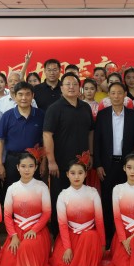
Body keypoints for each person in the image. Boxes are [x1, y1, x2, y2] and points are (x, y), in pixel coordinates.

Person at [0, 153, 61, 266]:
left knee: (27, 248)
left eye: (30, 166)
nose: (27, 170)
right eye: (23, 166)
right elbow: (7, 215)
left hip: (37, 230)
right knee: (10, 260)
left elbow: (47, 213)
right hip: (17, 230)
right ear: (17, 167)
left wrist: (34, 230)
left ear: (36, 167)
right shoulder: (12, 188)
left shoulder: (42, 187)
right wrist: (13, 235)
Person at [44, 72, 94, 230]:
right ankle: (58, 233)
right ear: (61, 88)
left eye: (75, 84)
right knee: (60, 198)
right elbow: (47, 135)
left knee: (79, 199)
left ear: (79, 88)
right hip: (60, 164)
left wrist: (90, 154)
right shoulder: (54, 108)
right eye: (68, 84)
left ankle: (77, 230)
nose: (71, 87)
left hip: (81, 164)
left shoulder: (85, 107)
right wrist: (51, 161)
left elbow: (90, 132)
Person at [93, 81, 134, 243]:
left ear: (125, 95)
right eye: (112, 93)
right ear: (109, 95)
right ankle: (109, 239)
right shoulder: (102, 115)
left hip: (128, 166)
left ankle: (126, 237)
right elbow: (97, 142)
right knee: (108, 201)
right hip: (107, 165)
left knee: (126, 201)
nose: (116, 96)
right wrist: (98, 164)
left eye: (119, 93)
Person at [47, 160, 106, 266]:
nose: (76, 177)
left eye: (80, 173)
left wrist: (103, 244)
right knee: (62, 265)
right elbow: (62, 224)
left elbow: (99, 221)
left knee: (89, 235)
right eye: (73, 173)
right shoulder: (63, 195)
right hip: (70, 236)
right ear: (67, 174)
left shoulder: (93, 193)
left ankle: (87, 261)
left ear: (86, 174)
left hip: (90, 237)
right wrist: (68, 248)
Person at [0, 82, 45, 190]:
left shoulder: (41, 115)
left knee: (34, 191)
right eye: (20, 94)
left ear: (32, 96)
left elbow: (45, 140)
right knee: (11, 191)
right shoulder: (7, 116)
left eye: (27, 94)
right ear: (15, 96)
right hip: (12, 160)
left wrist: (44, 162)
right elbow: (0, 141)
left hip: (34, 160)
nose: (24, 98)